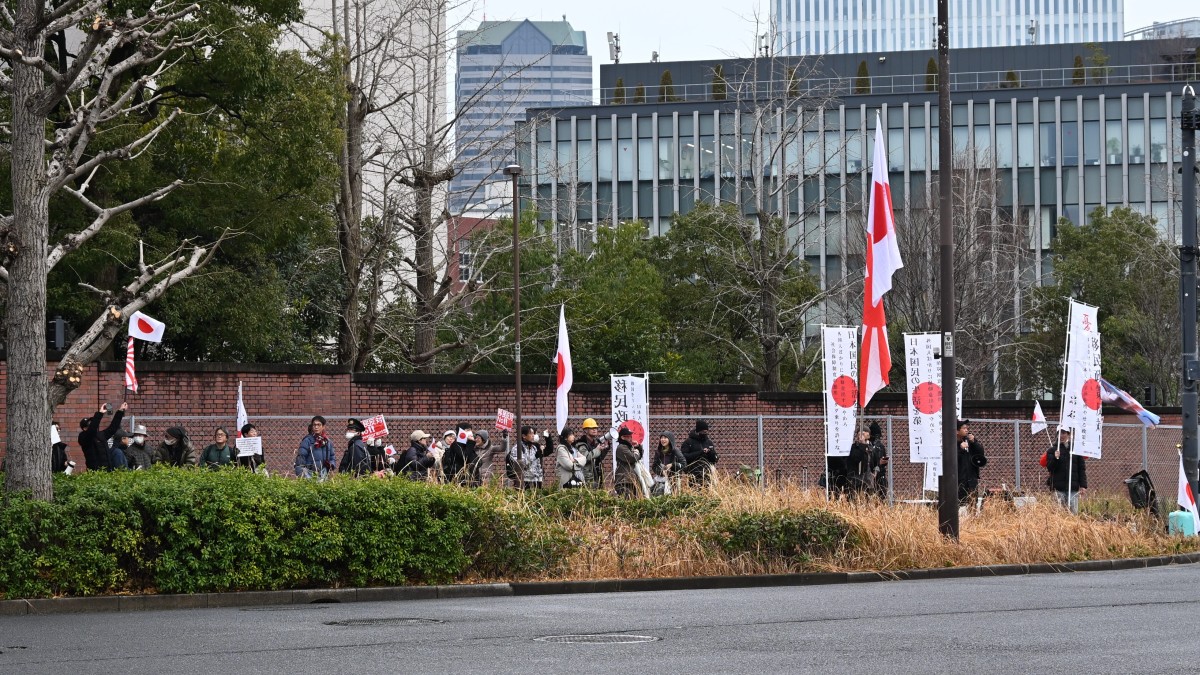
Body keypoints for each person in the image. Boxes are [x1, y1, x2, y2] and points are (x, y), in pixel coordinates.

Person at [1044, 427, 1088, 514]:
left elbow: (1081, 469)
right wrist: (1055, 458)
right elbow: (1050, 468)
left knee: (1073, 513)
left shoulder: (1076, 450)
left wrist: (1083, 485)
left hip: (1073, 488)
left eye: (1064, 433)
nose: (1062, 435)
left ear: (1068, 434)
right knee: (1058, 514)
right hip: (1058, 488)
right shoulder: (1052, 450)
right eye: (1059, 433)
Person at [78, 401, 127, 471]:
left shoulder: (100, 435)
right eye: (90, 425)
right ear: (84, 428)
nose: (94, 425)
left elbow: (112, 428)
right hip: (95, 473)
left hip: (107, 471)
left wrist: (120, 411)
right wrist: (100, 413)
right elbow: (91, 431)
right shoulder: (83, 437)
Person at [956, 419, 988, 506]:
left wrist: (974, 442)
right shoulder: (952, 443)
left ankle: (972, 519)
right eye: (964, 428)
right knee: (957, 503)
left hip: (971, 477)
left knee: (972, 502)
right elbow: (953, 460)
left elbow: (980, 453)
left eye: (967, 428)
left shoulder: (969, 441)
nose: (967, 430)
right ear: (957, 431)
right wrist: (961, 449)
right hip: (959, 479)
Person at [510, 426, 551, 490]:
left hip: (535, 481)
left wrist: (539, 479)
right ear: (524, 436)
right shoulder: (517, 448)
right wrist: (535, 456)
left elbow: (538, 465)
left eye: (533, 434)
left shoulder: (534, 448)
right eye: (531, 433)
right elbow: (521, 465)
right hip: (524, 481)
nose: (533, 435)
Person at [680, 419, 719, 486]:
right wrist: (700, 452)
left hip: (707, 474)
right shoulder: (688, 442)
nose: (705, 433)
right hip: (692, 474)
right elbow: (684, 457)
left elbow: (715, 459)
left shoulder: (708, 442)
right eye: (703, 431)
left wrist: (710, 453)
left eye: (706, 431)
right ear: (698, 431)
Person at [576, 417, 612, 489]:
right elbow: (586, 457)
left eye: (595, 428)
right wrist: (598, 449)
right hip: (587, 478)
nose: (595, 430)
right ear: (586, 430)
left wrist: (605, 449)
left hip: (596, 476)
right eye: (592, 428)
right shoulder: (582, 444)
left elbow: (598, 458)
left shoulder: (593, 444)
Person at [614, 426, 646, 498]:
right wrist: (636, 452)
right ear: (622, 437)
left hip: (630, 481)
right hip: (624, 481)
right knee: (627, 503)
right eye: (628, 436)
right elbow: (633, 458)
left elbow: (638, 457)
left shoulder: (628, 447)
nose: (631, 438)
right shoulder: (621, 447)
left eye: (631, 436)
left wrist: (637, 447)